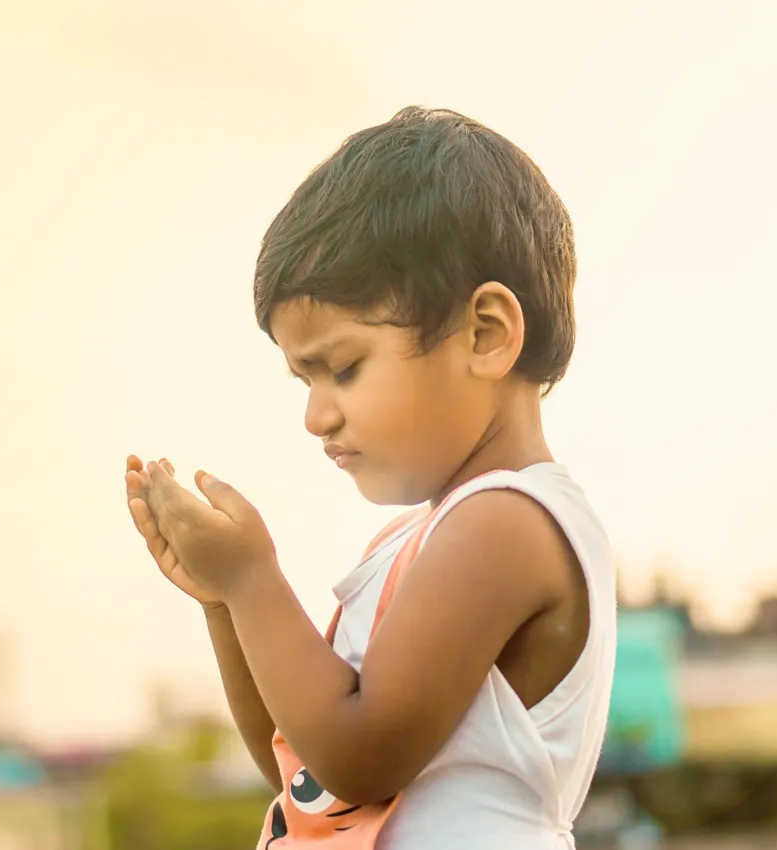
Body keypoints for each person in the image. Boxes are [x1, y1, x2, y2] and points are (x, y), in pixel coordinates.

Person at [124, 106, 616, 849]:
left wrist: (255, 582)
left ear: (485, 334)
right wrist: (224, 602)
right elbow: (309, 773)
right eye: (304, 379)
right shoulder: (423, 539)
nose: (317, 416)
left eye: (344, 369)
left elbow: (360, 756)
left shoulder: (505, 524)